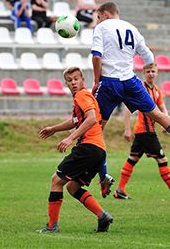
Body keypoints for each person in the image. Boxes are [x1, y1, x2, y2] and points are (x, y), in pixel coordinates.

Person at [91, 2, 170, 197]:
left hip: (109, 83)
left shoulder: (101, 27)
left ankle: (103, 176)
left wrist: (96, 80)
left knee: (95, 130)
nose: (98, 20)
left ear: (105, 14)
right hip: (131, 82)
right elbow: (149, 57)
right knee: (159, 116)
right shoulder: (132, 28)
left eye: (98, 17)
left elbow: (96, 56)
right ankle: (105, 178)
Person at [37, 67, 113, 233]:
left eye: (76, 79)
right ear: (66, 83)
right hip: (98, 150)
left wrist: (71, 138)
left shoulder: (82, 95)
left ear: (82, 80)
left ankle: (52, 226)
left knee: (56, 181)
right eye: (69, 80)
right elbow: (76, 120)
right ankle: (103, 216)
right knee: (72, 187)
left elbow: (91, 118)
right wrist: (54, 129)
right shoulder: (83, 97)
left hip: (88, 147)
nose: (73, 83)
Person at [114, 64, 170, 199]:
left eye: (153, 71)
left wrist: (165, 123)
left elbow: (163, 109)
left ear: (157, 73)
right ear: (144, 72)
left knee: (133, 158)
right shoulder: (140, 89)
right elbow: (128, 109)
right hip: (145, 131)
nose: (151, 74)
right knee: (162, 159)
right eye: (148, 71)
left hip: (146, 131)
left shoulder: (157, 90)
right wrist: (127, 128)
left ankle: (120, 190)